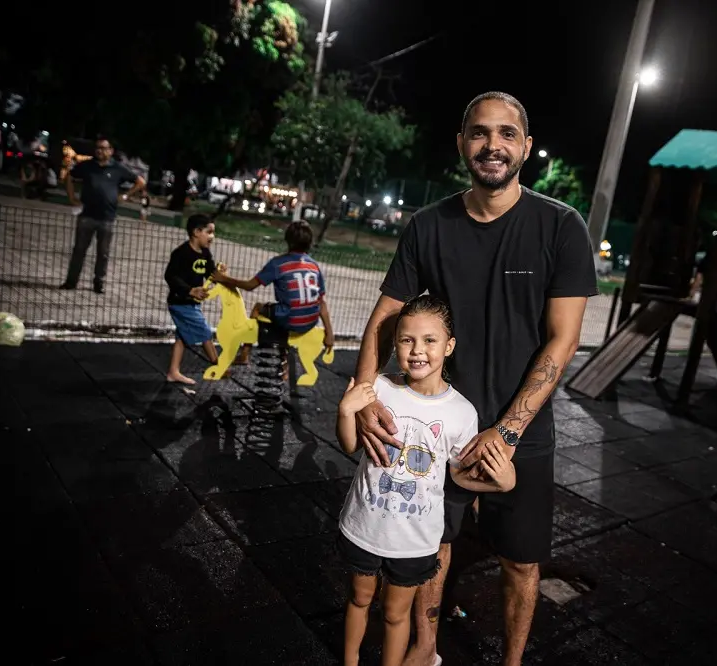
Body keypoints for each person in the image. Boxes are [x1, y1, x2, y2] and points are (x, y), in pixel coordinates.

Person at [353, 92, 597, 666]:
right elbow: (386, 317)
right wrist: (363, 397)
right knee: (431, 547)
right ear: (462, 143)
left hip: (522, 432)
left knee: (521, 559)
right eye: (481, 133)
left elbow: (563, 340)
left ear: (526, 147)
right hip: (441, 424)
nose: (494, 145)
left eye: (508, 134)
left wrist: (507, 431)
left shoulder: (561, 227)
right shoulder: (429, 225)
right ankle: (426, 648)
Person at [336, 295, 517, 666]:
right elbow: (350, 444)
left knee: (395, 614)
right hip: (364, 526)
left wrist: (503, 484)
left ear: (448, 346)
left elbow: (457, 475)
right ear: (396, 342)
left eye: (429, 340)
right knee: (358, 599)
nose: (417, 350)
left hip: (414, 541)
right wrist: (345, 410)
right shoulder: (380, 390)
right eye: (406, 340)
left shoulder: (462, 412)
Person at [211, 220, 335, 373]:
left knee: (259, 308)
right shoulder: (314, 265)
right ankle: (284, 363)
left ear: (287, 240)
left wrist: (224, 279)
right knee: (287, 310)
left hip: (290, 320)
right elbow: (322, 302)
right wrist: (329, 333)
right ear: (310, 243)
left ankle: (245, 354)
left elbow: (250, 286)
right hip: (310, 321)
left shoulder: (278, 264)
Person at [60, 136, 146, 294]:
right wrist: (72, 197)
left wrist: (126, 196)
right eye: (98, 148)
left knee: (103, 253)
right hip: (86, 215)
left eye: (104, 148)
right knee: (79, 250)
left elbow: (140, 181)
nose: (100, 151)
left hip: (107, 217)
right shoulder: (86, 166)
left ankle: (99, 282)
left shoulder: (118, 168)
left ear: (111, 151)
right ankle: (71, 281)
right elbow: (69, 176)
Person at [164, 214, 219, 384]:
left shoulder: (205, 253)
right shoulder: (181, 253)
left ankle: (173, 372)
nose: (212, 237)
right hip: (180, 301)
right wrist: (190, 290)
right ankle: (218, 365)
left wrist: (219, 272)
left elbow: (212, 273)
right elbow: (170, 276)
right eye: (209, 232)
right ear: (196, 232)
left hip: (191, 303)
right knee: (205, 332)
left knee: (182, 337)